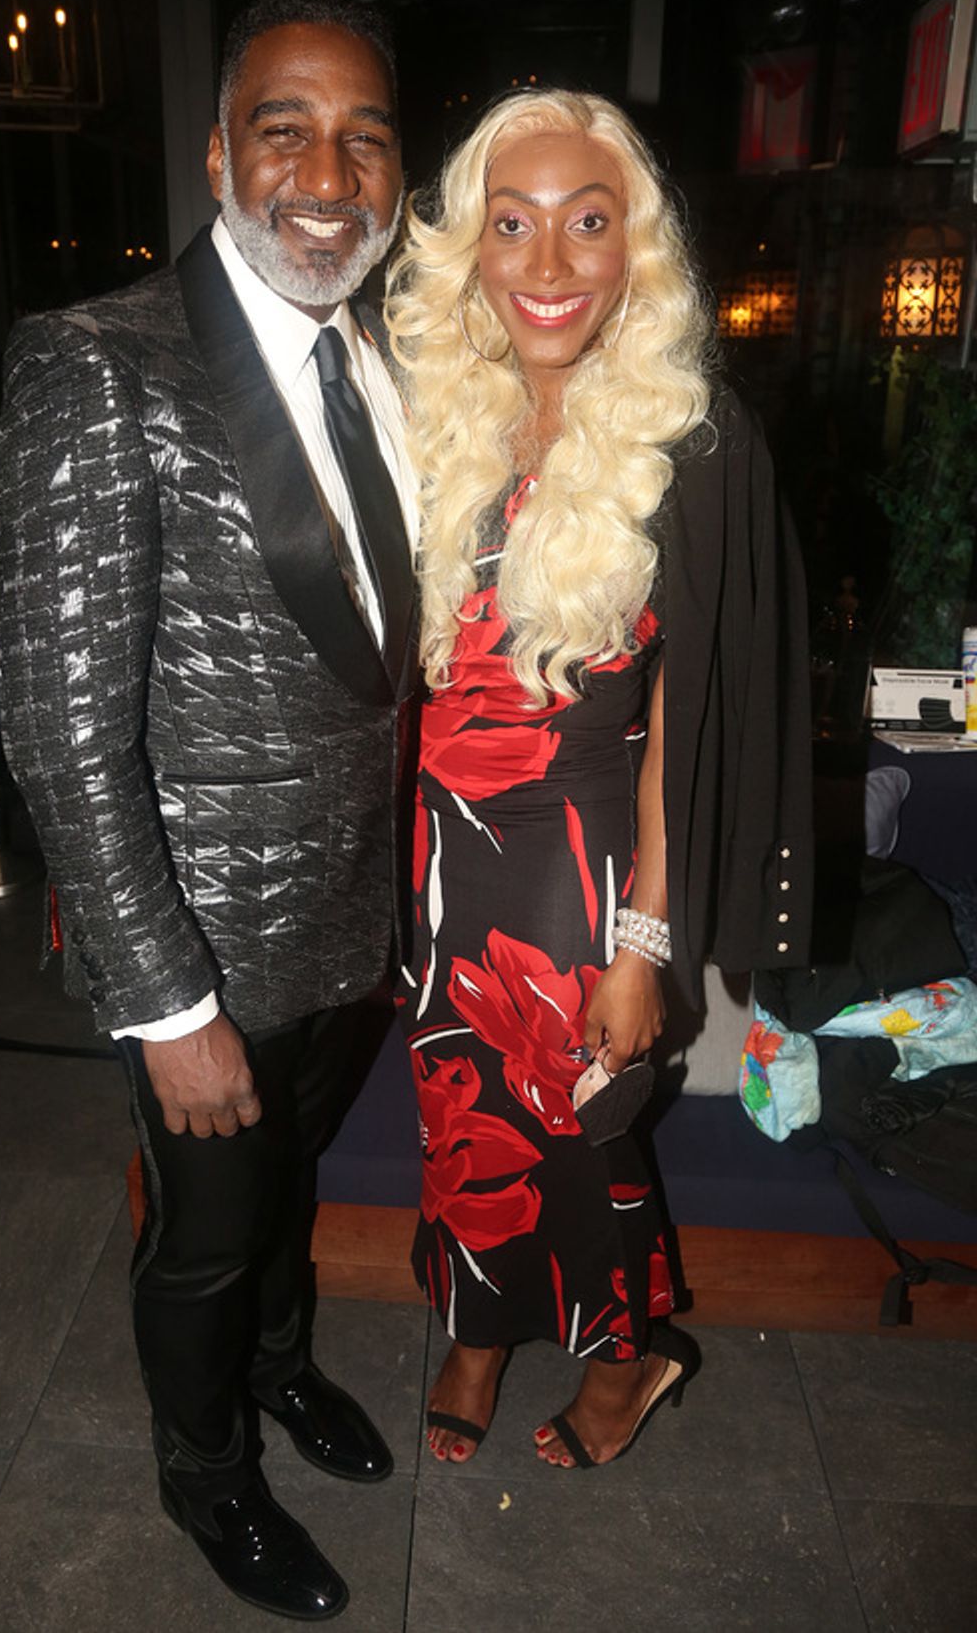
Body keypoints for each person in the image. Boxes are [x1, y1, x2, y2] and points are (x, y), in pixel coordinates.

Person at [0, 0, 416, 1622]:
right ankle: (206, 1472)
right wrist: (168, 1006)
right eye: (286, 129)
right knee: (206, 1237)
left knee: (288, 1194)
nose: (329, 174)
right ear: (222, 154)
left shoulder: (381, 356)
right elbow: (63, 734)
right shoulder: (99, 361)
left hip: (346, 927)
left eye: (366, 137)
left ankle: (282, 1372)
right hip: (202, 950)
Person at [385, 89, 811, 1471]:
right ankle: (478, 1327)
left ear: (638, 250)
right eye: (513, 225)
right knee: (455, 1111)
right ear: (471, 247)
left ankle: (631, 1358)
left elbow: (695, 723)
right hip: (439, 860)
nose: (550, 263)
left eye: (588, 222)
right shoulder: (438, 417)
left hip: (581, 861)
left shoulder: (690, 438)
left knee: (585, 1134)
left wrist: (644, 942)